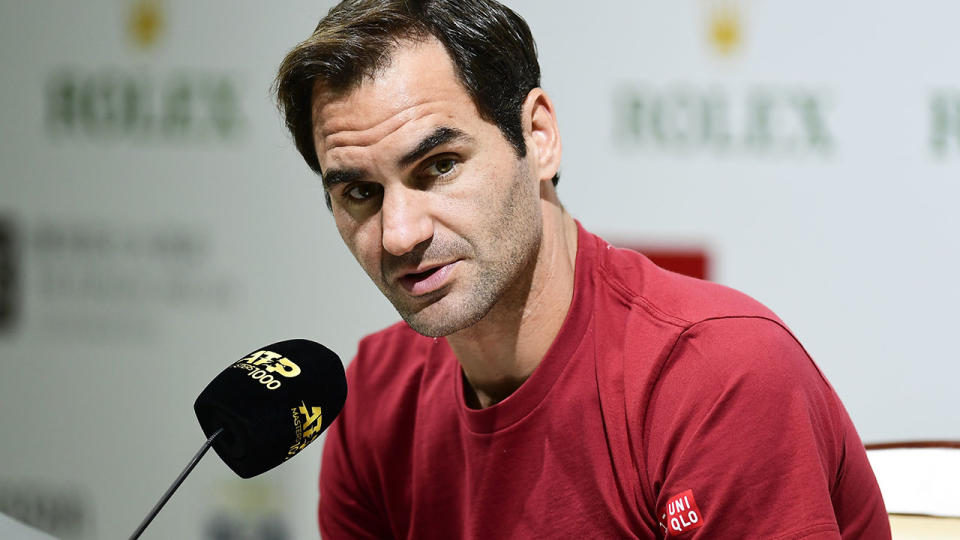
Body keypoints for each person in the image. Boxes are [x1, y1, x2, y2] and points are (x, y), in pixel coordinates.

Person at [274, 0, 891, 537]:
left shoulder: (716, 375)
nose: (401, 232)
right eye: (360, 193)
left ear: (538, 137)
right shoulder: (374, 401)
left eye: (439, 166)